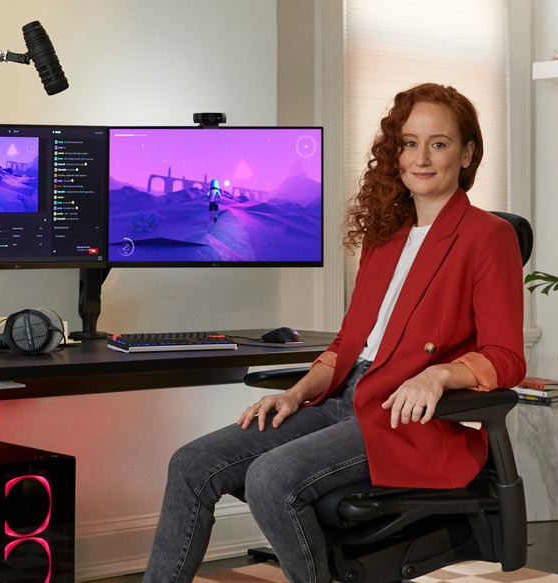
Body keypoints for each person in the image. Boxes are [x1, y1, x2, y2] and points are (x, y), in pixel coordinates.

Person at [142, 83, 525, 583]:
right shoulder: (384, 236)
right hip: (344, 397)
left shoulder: (488, 236)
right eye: (410, 143)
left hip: (402, 417)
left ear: (467, 151)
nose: (422, 158)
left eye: (439, 143)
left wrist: (440, 375)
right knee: (191, 464)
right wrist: (297, 394)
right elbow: (350, 343)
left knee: (272, 477)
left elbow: (507, 357)